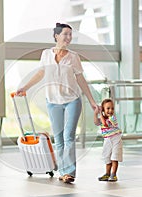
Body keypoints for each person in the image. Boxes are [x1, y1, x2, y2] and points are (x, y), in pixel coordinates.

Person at [16, 22, 98, 183]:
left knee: (68, 136)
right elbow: (40, 73)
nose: (68, 37)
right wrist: (24, 87)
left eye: (70, 34)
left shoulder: (74, 57)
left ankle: (70, 172)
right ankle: (62, 171)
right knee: (59, 138)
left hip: (72, 100)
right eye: (65, 34)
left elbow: (81, 79)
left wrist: (92, 101)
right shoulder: (46, 54)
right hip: (53, 101)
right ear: (56, 36)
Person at [94, 98, 123, 182]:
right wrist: (96, 114)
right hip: (107, 139)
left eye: (112, 108)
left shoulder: (112, 118)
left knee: (114, 157)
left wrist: (100, 113)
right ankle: (107, 174)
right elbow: (96, 122)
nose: (110, 110)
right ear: (103, 109)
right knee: (107, 156)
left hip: (116, 139)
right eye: (108, 108)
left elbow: (105, 124)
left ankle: (113, 174)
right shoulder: (102, 118)